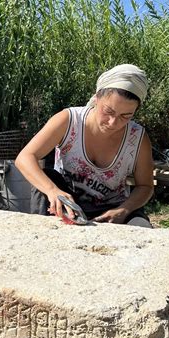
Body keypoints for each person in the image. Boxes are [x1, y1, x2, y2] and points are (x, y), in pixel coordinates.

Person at [15, 64, 154, 227]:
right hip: (68, 204)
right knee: (47, 178)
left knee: (140, 226)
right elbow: (25, 158)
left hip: (113, 210)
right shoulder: (69, 120)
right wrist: (52, 190)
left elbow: (145, 186)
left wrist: (123, 210)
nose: (113, 122)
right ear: (96, 98)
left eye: (126, 116)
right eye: (108, 111)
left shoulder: (137, 137)